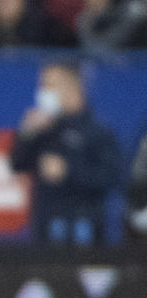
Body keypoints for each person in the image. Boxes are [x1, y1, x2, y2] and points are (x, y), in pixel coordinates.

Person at [10, 61, 121, 245]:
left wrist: (67, 171)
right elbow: (17, 164)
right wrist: (27, 133)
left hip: (85, 233)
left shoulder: (98, 132)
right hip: (45, 232)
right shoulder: (42, 130)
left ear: (72, 88)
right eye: (42, 85)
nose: (43, 92)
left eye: (50, 86)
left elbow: (111, 177)